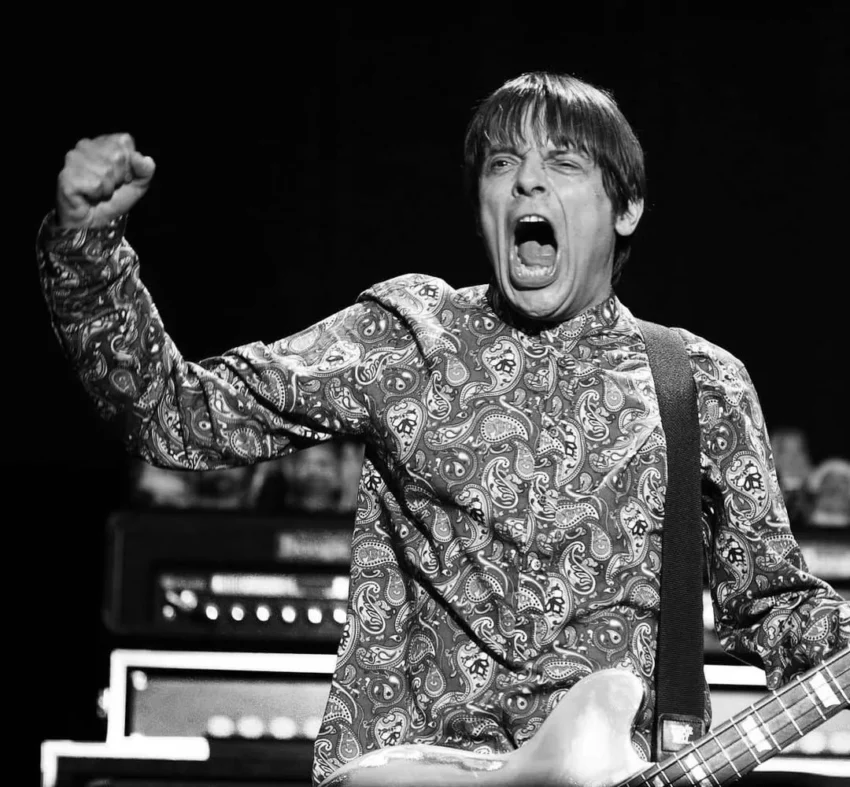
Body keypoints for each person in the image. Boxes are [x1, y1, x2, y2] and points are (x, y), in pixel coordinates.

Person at [38, 72, 849, 787]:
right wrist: (88, 245)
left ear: (627, 207)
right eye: (504, 166)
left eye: (563, 165)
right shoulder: (409, 336)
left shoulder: (698, 383)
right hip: (415, 769)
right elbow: (179, 417)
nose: (528, 185)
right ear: (482, 206)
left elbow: (772, 604)